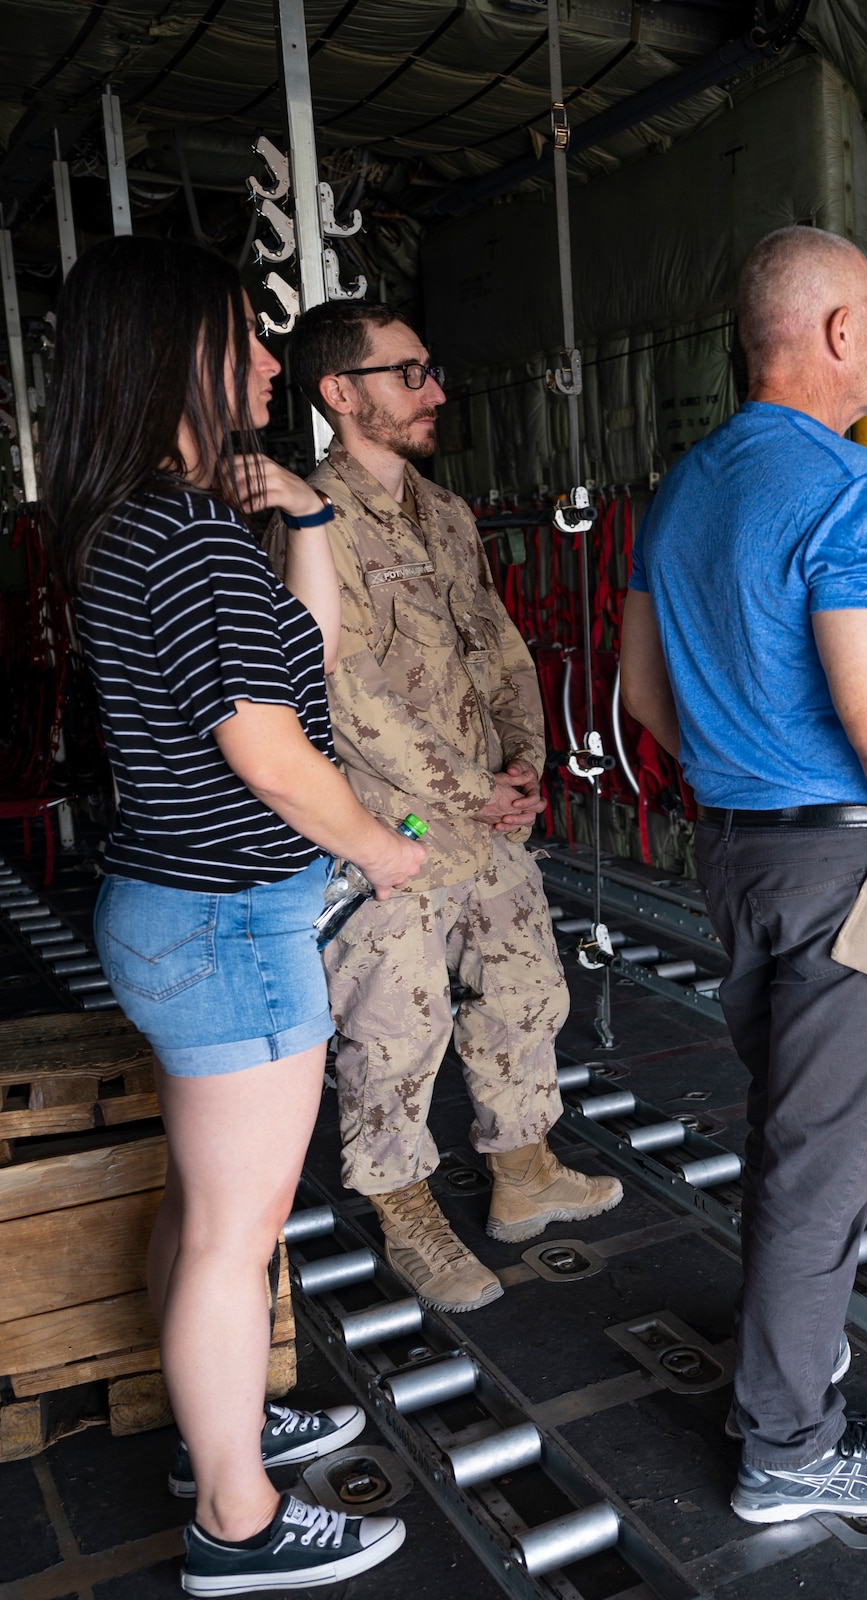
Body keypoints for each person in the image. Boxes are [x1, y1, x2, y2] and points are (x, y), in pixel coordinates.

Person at [45, 237, 422, 1591]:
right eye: (246, 338)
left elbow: (299, 663)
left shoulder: (145, 524)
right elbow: (270, 746)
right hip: (225, 926)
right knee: (233, 1231)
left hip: (180, 909)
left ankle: (224, 1430)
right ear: (175, 356)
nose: (274, 362)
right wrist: (384, 849)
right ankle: (237, 1518)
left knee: (206, 1214)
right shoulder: (185, 533)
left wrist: (306, 526)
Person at [618, 224, 867, 1524]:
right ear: (837, 332)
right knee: (827, 1160)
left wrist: (744, 761)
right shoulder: (855, 490)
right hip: (859, 861)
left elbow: (640, 695)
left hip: (736, 852)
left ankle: (796, 1345)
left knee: (806, 1129)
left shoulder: (682, 490)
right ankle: (790, 1446)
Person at [277, 300, 620, 1313]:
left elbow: (500, 644)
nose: (435, 390)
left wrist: (529, 758)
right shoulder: (307, 519)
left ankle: (523, 1170)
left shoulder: (447, 512)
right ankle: (406, 1209)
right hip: (391, 827)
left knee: (525, 982)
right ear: (341, 394)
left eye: (429, 369)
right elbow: (347, 694)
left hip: (484, 811)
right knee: (396, 1022)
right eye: (408, 373)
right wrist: (478, 789)